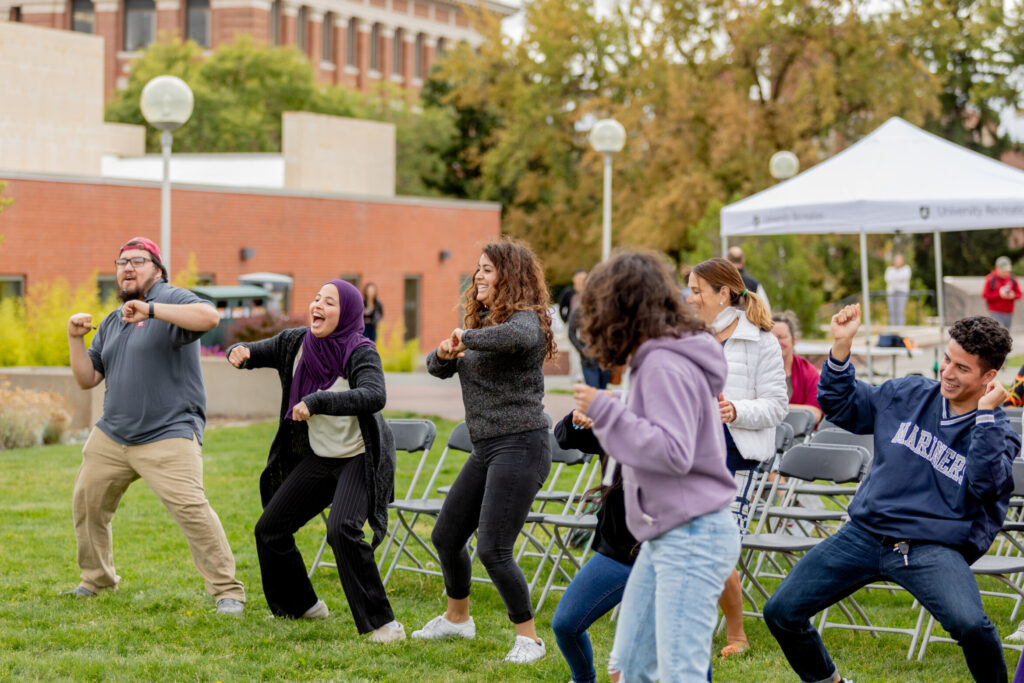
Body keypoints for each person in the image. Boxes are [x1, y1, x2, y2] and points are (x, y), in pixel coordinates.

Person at [764, 307, 1018, 683]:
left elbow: (984, 484)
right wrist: (841, 345)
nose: (947, 373)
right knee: (781, 611)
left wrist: (984, 416)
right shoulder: (909, 393)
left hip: (930, 547)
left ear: (990, 376)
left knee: (973, 626)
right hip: (864, 534)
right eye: (947, 360)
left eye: (962, 368)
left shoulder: (996, 430)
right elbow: (844, 406)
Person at [573, 250, 740, 682]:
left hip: (690, 533)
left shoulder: (662, 363)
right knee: (629, 666)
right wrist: (618, 410)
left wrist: (609, 414)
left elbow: (672, 451)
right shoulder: (665, 356)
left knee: (678, 672)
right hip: (671, 532)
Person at [65, 236, 246, 614]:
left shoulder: (173, 299)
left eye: (138, 261)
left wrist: (152, 311)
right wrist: (74, 340)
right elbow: (87, 378)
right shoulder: (114, 321)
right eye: (121, 262)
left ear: (158, 269)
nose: (127, 268)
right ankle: (96, 579)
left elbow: (210, 317)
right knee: (87, 503)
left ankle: (227, 591)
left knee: (192, 509)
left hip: (169, 432)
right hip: (113, 434)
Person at [225, 279, 401, 641]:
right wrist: (240, 351)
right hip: (321, 457)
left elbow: (374, 394)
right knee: (270, 529)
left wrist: (319, 401)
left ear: (348, 312)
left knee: (342, 529)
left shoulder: (360, 350)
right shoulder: (297, 343)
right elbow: (256, 351)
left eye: (330, 302)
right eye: (317, 298)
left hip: (359, 457)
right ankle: (301, 606)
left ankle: (384, 625)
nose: (318, 305)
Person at [412, 237, 556, 664]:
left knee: (493, 548)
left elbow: (516, 337)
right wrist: (443, 352)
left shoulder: (526, 322)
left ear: (509, 277)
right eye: (478, 268)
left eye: (488, 269)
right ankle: (458, 620)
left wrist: (467, 336)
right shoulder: (485, 325)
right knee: (447, 536)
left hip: (523, 443)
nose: (478, 275)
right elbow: (439, 368)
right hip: (487, 447)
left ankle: (529, 640)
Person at [687, 257, 788, 658]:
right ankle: (697, 625)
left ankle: (737, 635)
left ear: (722, 293)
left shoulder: (760, 340)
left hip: (737, 459)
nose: (690, 298)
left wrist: (736, 411)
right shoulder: (691, 338)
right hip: (692, 457)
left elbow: (778, 406)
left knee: (718, 546)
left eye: (697, 291)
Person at [551, 410, 638, 683]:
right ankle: (583, 680)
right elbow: (563, 437)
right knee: (566, 625)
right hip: (617, 551)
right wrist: (577, 417)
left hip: (659, 556)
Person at [771, 310, 824, 424]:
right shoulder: (758, 370)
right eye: (771, 337)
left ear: (794, 339)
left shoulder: (809, 372)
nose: (776, 342)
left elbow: (816, 413)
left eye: (782, 337)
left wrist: (774, 409)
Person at [567, 307, 612, 389]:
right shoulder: (579, 311)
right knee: (593, 392)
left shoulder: (606, 307)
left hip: (605, 358)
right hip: (589, 360)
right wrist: (582, 350)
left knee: (603, 392)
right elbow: (571, 333)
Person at [559, 268, 588, 383]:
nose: (582, 280)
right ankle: (575, 375)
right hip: (572, 326)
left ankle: (584, 373)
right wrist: (566, 321)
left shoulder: (589, 291)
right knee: (574, 350)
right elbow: (562, 308)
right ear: (574, 279)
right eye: (580, 278)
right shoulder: (568, 292)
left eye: (584, 278)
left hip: (585, 326)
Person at [983, 255, 1021, 330]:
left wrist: (1013, 295)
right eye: (1003, 270)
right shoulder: (991, 278)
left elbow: (1019, 294)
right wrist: (999, 294)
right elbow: (985, 295)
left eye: (1007, 271)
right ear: (997, 268)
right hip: (995, 311)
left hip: (1008, 312)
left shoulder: (1012, 278)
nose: (1006, 273)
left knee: (1006, 332)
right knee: (998, 331)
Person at [726, 245, 770, 309]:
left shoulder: (718, 282)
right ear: (743, 261)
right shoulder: (754, 283)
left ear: (727, 260)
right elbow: (766, 308)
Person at [884, 253, 912, 327]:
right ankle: (892, 328)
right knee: (892, 311)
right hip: (891, 293)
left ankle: (901, 327)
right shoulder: (889, 269)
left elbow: (904, 277)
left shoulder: (906, 268)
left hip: (902, 293)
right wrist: (898, 279)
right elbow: (888, 279)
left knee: (900, 311)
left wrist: (895, 279)